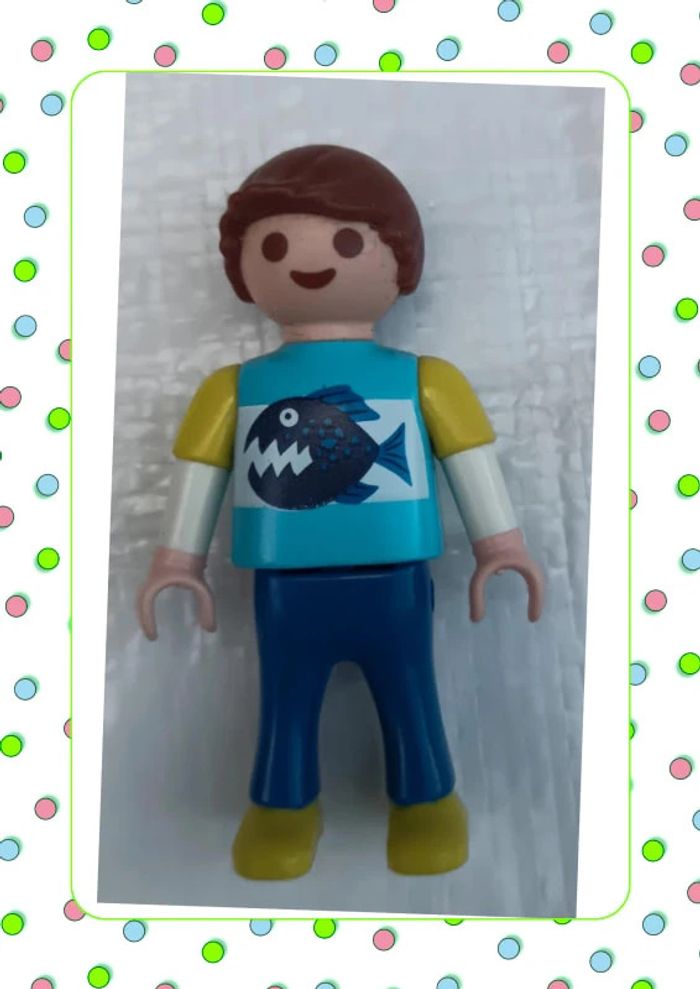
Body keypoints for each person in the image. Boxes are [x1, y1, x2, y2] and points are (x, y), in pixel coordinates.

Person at [137, 144, 544, 880]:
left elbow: (470, 460)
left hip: (396, 580)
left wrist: (501, 545)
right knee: (285, 700)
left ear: (399, 261)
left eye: (349, 243)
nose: (309, 262)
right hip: (285, 586)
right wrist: (176, 560)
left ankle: (427, 800)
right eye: (276, 246)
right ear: (243, 268)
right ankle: (282, 805)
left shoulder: (427, 379)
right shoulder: (233, 388)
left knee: (410, 692)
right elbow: (200, 471)